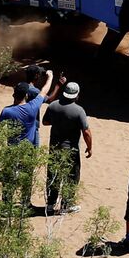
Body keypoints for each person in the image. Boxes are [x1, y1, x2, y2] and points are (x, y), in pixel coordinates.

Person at [42, 81, 93, 215]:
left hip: (54, 148)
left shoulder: (53, 106)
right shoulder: (78, 110)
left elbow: (45, 122)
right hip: (70, 149)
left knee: (53, 175)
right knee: (71, 176)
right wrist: (90, 147)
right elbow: (86, 132)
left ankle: (50, 204)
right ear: (76, 95)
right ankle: (66, 204)